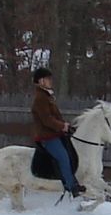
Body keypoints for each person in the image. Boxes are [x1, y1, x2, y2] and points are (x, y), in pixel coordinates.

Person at [31, 67, 86, 198]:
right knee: (63, 157)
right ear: (41, 81)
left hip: (55, 133)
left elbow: (54, 116)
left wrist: (66, 126)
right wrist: (62, 126)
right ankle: (71, 186)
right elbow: (47, 119)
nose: (51, 81)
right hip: (47, 137)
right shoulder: (40, 98)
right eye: (48, 79)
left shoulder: (47, 96)